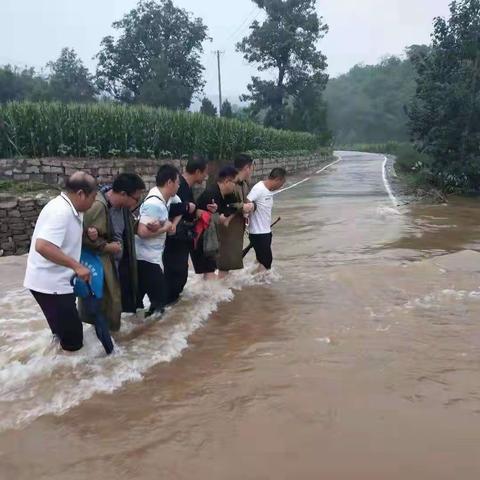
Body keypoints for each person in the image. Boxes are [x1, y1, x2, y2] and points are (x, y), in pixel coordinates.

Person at [24, 172, 97, 352]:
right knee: (74, 340)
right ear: (81, 194)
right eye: (93, 197)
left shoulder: (72, 209)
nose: (94, 202)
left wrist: (88, 231)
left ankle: (54, 363)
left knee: (61, 332)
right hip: (50, 285)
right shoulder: (60, 211)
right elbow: (43, 246)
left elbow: (62, 237)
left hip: (54, 282)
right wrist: (77, 266)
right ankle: (69, 374)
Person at [80, 173, 146, 332]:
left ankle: (112, 348)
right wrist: (108, 247)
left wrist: (149, 226)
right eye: (136, 199)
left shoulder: (122, 208)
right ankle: (101, 352)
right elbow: (81, 237)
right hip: (100, 269)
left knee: (113, 309)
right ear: (123, 194)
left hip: (117, 266)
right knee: (101, 311)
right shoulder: (98, 206)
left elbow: (129, 228)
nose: (136, 203)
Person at [163, 155, 217, 305]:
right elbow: (168, 208)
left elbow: (188, 210)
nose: (206, 176)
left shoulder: (186, 187)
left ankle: (168, 315)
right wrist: (190, 209)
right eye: (205, 172)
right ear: (198, 171)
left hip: (182, 239)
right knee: (176, 276)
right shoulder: (179, 186)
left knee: (180, 276)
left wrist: (200, 210)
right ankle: (164, 312)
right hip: (174, 239)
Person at [135, 164, 182, 317]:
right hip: (146, 258)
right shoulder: (154, 203)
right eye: (177, 182)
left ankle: (136, 329)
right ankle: (150, 334)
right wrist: (166, 227)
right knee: (160, 300)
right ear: (169, 183)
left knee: (140, 299)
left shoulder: (168, 197)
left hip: (152, 257)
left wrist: (172, 224)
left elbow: (180, 207)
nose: (179, 185)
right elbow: (142, 231)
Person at [192, 166, 238, 280]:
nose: (235, 186)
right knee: (209, 272)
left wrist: (225, 217)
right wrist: (220, 216)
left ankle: (206, 295)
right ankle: (209, 296)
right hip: (202, 239)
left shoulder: (228, 195)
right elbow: (206, 217)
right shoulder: (211, 194)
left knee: (211, 271)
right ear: (227, 181)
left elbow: (234, 207)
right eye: (234, 183)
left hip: (212, 240)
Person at [217, 153, 255, 277]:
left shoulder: (243, 184)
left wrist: (250, 205)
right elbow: (225, 205)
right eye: (251, 167)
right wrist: (243, 206)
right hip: (227, 228)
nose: (251, 170)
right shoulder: (230, 183)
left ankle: (222, 290)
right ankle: (217, 291)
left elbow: (245, 201)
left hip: (237, 228)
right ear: (247, 168)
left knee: (230, 264)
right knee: (225, 264)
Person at [247, 168, 286, 271]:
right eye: (282, 183)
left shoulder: (268, 190)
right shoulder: (259, 188)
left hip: (265, 231)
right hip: (258, 233)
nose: (281, 186)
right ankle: (262, 283)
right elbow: (247, 202)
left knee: (262, 260)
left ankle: (255, 281)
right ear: (278, 179)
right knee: (267, 261)